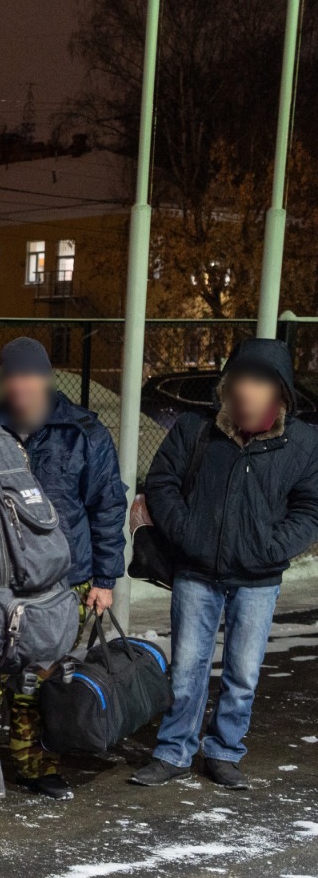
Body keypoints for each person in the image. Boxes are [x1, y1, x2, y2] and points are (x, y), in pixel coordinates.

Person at [130, 338, 318, 790]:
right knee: (188, 667)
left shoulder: (304, 442)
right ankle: (174, 750)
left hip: (259, 579)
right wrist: (189, 534)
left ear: (280, 394)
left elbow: (310, 509)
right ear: (227, 388)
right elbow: (161, 483)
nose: (245, 398)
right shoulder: (196, 428)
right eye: (238, 386)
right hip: (197, 572)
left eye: (258, 386)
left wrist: (271, 548)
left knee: (243, 672)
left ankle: (224, 751)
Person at [0, 337, 127, 800]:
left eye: (30, 376)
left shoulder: (84, 432)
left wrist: (106, 581)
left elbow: (107, 506)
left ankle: (45, 762)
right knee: (12, 682)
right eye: (13, 377)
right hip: (6, 581)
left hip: (70, 581)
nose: (21, 386)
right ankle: (15, 766)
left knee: (49, 681)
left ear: (47, 378)